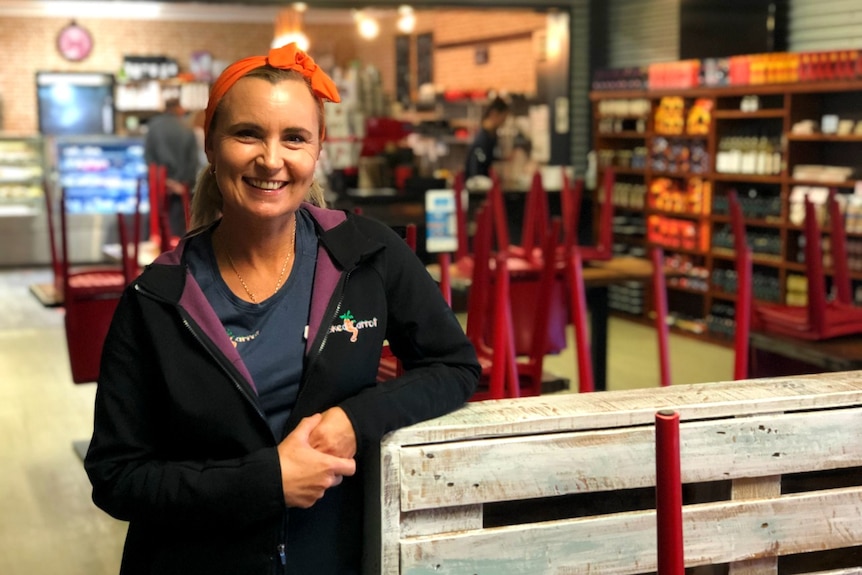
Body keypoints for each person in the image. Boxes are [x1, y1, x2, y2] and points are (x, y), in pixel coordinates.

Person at [85, 43, 480, 575]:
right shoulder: (157, 300)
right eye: (248, 134)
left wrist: (352, 420)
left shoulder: (368, 254)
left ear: (317, 150)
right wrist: (267, 481)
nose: (272, 160)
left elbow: (454, 367)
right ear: (211, 145)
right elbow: (118, 477)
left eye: (294, 138)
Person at [144, 97, 201, 236]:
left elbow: (148, 157)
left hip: (158, 186)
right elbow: (193, 161)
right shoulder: (186, 128)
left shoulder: (153, 126)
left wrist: (163, 180)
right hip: (180, 190)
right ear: (178, 108)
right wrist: (184, 185)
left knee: (157, 230)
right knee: (177, 232)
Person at [464, 95, 510, 185]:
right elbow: (477, 159)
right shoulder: (482, 137)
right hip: (478, 183)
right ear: (494, 114)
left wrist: (503, 159)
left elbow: (488, 158)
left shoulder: (492, 134)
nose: (503, 122)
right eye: (503, 118)